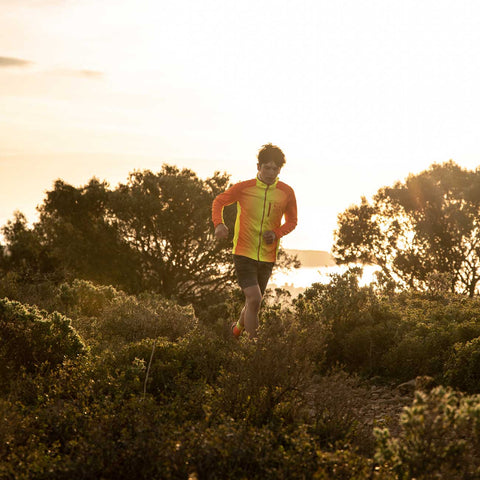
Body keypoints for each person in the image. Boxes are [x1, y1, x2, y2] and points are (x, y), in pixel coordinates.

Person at [212, 143, 298, 338]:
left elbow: (292, 221)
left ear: (279, 170)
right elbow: (219, 202)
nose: (270, 172)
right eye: (266, 167)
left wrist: (277, 232)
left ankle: (236, 330)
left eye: (275, 168)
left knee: (252, 303)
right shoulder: (245, 188)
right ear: (258, 167)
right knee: (255, 299)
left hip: (267, 256)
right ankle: (253, 349)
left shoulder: (286, 192)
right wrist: (219, 224)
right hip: (243, 252)